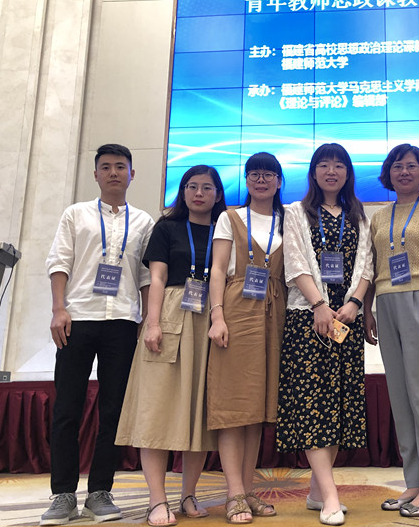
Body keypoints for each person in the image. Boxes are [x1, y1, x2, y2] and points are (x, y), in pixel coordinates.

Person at [42, 144, 154, 526]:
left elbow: (145, 275)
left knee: (113, 411)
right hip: (77, 319)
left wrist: (147, 319)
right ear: (95, 175)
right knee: (67, 409)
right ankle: (62, 495)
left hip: (122, 322)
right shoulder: (75, 214)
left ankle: (100, 492)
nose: (113, 173)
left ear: (132, 174)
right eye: (105, 167)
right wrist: (58, 309)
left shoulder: (144, 222)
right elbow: (59, 261)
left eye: (120, 167)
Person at [115, 165, 226, 526]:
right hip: (171, 316)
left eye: (206, 187)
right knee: (157, 409)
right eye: (192, 186)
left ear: (218, 193)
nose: (199, 193)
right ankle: (157, 500)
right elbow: (157, 277)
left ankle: (189, 494)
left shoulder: (225, 228)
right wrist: (152, 323)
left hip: (211, 317)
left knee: (199, 413)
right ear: (182, 191)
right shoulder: (167, 227)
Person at [277, 144, 373, 526]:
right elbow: (294, 262)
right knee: (312, 405)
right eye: (323, 165)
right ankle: (331, 497)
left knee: (338, 406)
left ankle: (318, 492)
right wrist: (318, 304)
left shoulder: (359, 215)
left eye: (338, 165)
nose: (331, 171)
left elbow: (367, 265)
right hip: (308, 319)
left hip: (345, 322)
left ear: (348, 172)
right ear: (313, 172)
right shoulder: (296, 212)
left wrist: (354, 304)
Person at [363, 143, 419, 518]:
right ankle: (414, 481)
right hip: (386, 303)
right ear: (388, 173)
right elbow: (372, 267)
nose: (404, 172)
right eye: (397, 166)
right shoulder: (379, 217)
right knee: (400, 398)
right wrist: (367, 309)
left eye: (411, 166)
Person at [207, 153, 286, 524]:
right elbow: (217, 270)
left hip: (276, 313)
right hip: (237, 309)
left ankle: (249, 489)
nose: (261, 179)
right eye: (254, 173)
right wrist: (217, 316)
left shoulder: (289, 219)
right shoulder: (231, 217)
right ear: (246, 179)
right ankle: (233, 493)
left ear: (279, 181)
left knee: (257, 410)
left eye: (268, 174)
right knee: (233, 407)